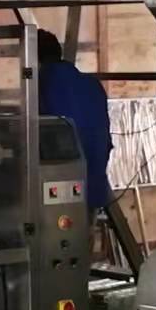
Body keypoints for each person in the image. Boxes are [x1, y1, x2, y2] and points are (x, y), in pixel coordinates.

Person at [35, 29, 114, 212]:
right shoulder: (92, 84)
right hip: (94, 187)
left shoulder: (44, 84)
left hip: (56, 191)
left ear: (33, 60)